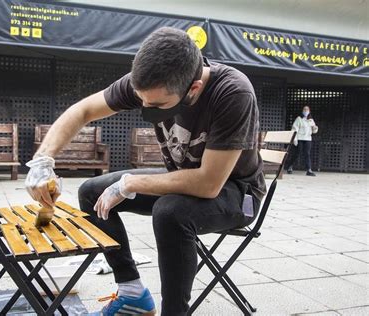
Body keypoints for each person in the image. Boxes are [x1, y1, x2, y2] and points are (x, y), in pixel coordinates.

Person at [25, 27, 266, 315]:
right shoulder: (150, 84)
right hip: (187, 178)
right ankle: (132, 292)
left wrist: (130, 183)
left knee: (170, 212)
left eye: (157, 105)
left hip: (238, 193)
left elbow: (208, 184)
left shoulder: (232, 92)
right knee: (92, 192)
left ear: (194, 89)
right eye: (141, 101)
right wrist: (42, 160)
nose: (146, 108)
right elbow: (82, 111)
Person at [285, 106, 318, 176]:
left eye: (307, 110)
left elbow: (314, 131)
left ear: (309, 111)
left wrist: (315, 128)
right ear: (302, 111)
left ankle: (309, 169)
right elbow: (294, 129)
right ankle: (290, 166)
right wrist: (295, 139)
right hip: (300, 138)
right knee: (297, 153)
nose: (306, 111)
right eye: (304, 109)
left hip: (308, 139)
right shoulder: (299, 119)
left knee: (307, 154)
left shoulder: (311, 120)